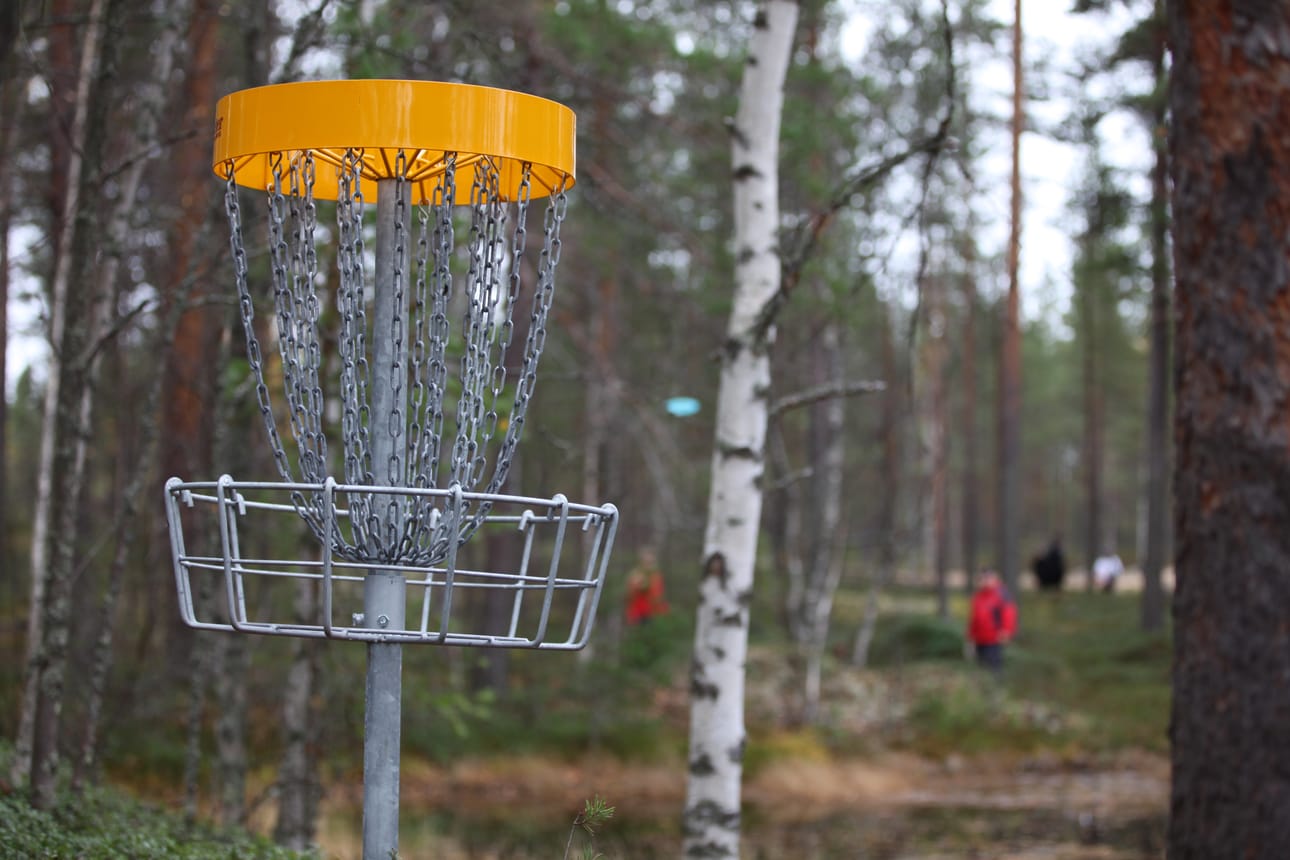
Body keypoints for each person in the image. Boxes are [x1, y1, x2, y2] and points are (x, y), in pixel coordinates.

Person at [967, 571, 1017, 672]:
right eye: (982, 579)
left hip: (994, 639)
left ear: (995, 579)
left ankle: (996, 687)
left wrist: (1006, 632)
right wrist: (970, 638)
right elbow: (974, 619)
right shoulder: (978, 597)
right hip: (979, 639)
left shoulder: (1002, 594)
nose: (985, 581)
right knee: (981, 667)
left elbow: (1009, 614)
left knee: (994, 668)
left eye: (988, 578)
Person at [625, 548, 669, 625]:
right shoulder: (636, 574)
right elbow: (630, 593)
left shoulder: (656, 575)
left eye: (650, 560)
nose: (648, 563)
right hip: (638, 613)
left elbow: (658, 593)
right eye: (646, 560)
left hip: (654, 612)